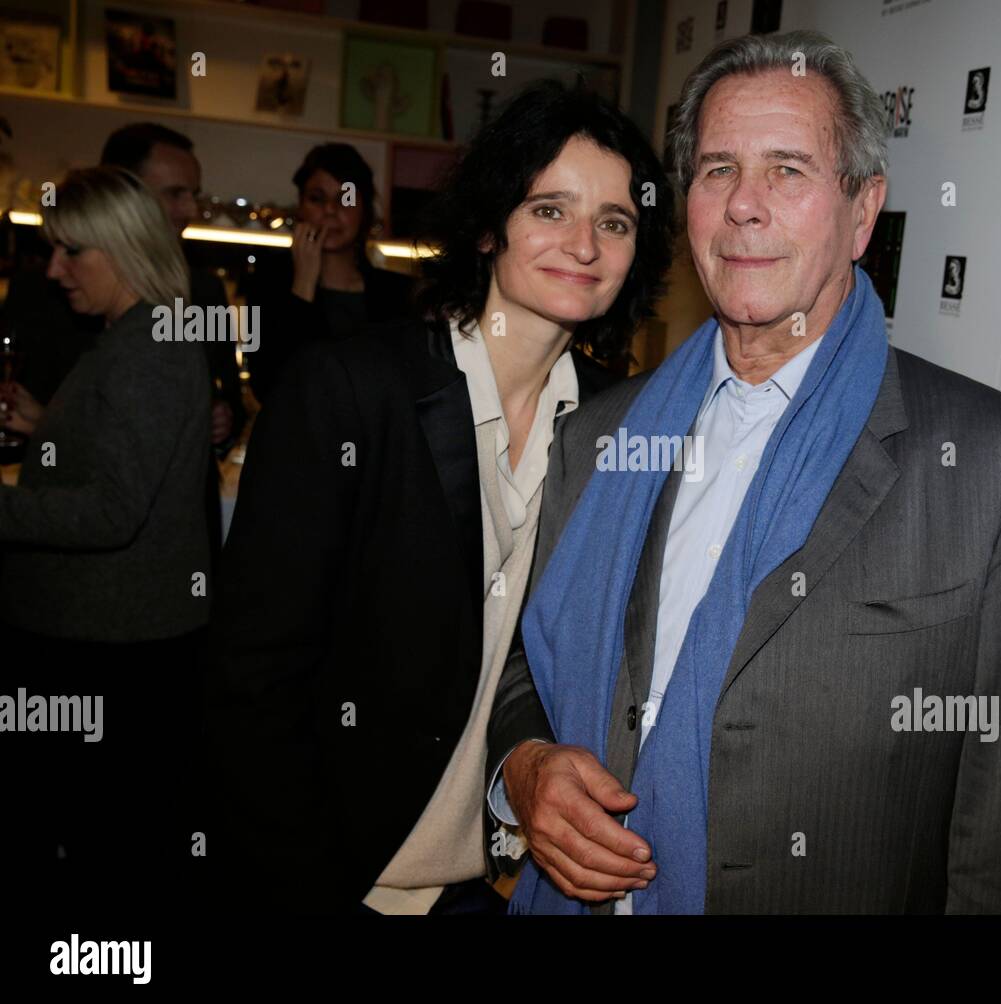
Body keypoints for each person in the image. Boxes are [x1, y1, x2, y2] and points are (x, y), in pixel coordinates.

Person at [487, 31, 1001, 914]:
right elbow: (520, 665)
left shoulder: (1000, 470)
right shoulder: (596, 437)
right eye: (716, 170)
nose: (744, 206)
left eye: (787, 170)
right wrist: (526, 764)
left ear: (862, 213)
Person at [205, 80, 675, 915]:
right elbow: (254, 679)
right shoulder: (351, 390)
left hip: (491, 885)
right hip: (335, 878)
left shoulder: (618, 425)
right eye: (550, 210)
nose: (585, 244)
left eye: (615, 222)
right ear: (493, 223)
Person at [0, 166, 212, 911]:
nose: (54, 270)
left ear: (121, 247)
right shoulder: (141, 332)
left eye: (71, 253)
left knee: (103, 856)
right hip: (110, 642)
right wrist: (42, 426)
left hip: (108, 652)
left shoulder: (148, 342)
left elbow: (111, 512)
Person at [0, 122, 245, 565]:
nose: (189, 208)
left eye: (194, 193)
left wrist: (218, 418)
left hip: (139, 565)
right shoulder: (44, 292)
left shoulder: (201, 293)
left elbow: (220, 393)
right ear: (122, 197)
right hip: (81, 552)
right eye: (174, 193)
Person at [241, 143, 415, 404]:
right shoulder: (267, 284)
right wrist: (303, 285)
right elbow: (268, 387)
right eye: (317, 199)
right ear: (301, 207)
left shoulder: (396, 294)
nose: (331, 211)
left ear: (364, 210)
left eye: (346, 198)